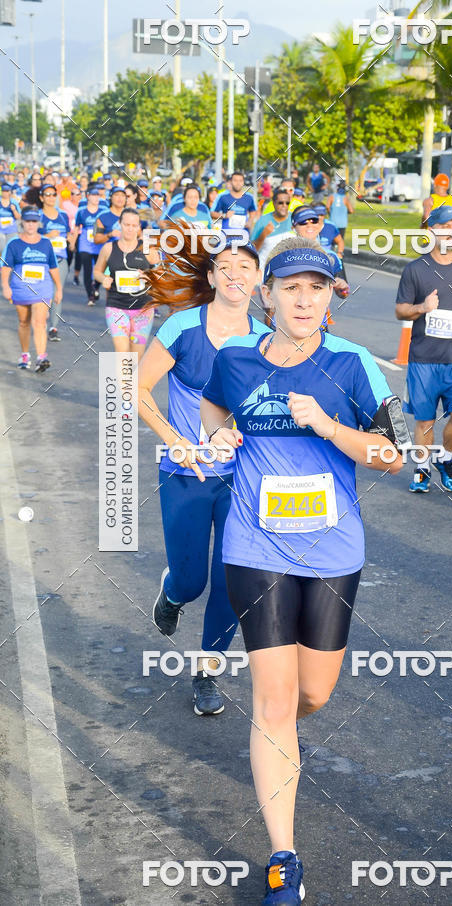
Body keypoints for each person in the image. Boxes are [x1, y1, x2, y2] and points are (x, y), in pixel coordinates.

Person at [199, 236, 404, 905]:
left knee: (313, 694)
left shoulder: (352, 365)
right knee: (274, 702)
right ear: (268, 295)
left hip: (332, 554)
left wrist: (328, 428)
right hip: (253, 549)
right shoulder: (233, 359)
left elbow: (391, 457)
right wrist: (218, 438)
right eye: (291, 287)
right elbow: (212, 415)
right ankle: (284, 859)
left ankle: (279, 733)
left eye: (317, 287)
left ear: (331, 296)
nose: (304, 299)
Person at [138, 226, 270, 717]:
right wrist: (178, 442)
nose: (236, 276)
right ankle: (172, 592)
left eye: (246, 269)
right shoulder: (181, 328)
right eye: (226, 268)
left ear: (258, 280)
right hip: (185, 475)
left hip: (243, 479)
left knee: (231, 585)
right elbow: (136, 390)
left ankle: (207, 672)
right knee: (193, 582)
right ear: (212, 276)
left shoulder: (265, 340)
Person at [395, 204, 452, 493]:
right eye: (445, 226)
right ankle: (422, 469)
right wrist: (423, 307)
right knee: (425, 421)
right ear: (430, 230)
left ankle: (445, 458)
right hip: (423, 360)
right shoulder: (415, 270)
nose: (451, 231)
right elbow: (400, 310)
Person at [1, 206, 61, 372]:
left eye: (34, 221)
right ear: (22, 222)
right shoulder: (14, 243)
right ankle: (25, 354)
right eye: (28, 221)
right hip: (20, 288)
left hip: (43, 288)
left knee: (39, 322)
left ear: (38, 223)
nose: (31, 225)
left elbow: (53, 267)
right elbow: (6, 267)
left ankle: (42, 357)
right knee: (24, 322)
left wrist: (59, 289)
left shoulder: (46, 243)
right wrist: (5, 286)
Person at [93, 207, 160, 356]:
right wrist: (104, 278)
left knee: (136, 357)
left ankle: (131, 380)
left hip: (143, 308)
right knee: (122, 352)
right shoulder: (108, 248)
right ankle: (120, 380)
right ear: (120, 224)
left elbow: (161, 274)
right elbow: (97, 271)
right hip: (116, 306)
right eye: (126, 225)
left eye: (134, 225)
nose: (130, 229)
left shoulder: (147, 248)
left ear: (139, 227)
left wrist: (149, 276)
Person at [40, 183, 74, 341]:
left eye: (54, 194)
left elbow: (67, 234)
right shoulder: (38, 216)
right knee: (44, 292)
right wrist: (47, 236)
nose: (51, 197)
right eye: (47, 194)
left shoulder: (63, 215)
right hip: (42, 261)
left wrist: (70, 239)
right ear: (41, 197)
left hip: (60, 259)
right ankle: (40, 321)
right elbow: (30, 238)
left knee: (57, 293)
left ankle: (53, 327)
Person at [74, 186, 103, 305]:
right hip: (85, 243)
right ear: (88, 196)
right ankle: (90, 295)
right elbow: (77, 227)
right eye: (93, 195)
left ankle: (96, 287)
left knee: (99, 269)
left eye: (98, 195)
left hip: (98, 244)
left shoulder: (103, 210)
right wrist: (72, 242)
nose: (96, 198)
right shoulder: (81, 211)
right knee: (87, 269)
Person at [251, 188, 293, 254]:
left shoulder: (294, 218)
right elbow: (253, 249)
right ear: (273, 203)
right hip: (266, 263)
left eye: (287, 203)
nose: (284, 205)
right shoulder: (263, 220)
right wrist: (263, 235)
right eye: (280, 203)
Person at [0, 181, 21, 261]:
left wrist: (14, 210)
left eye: (7, 191)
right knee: (1, 248)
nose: (5, 193)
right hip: (0, 229)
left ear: (10, 192)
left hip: (11, 229)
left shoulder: (14, 202)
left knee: (11, 248)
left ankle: (9, 265)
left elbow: (19, 217)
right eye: (3, 191)